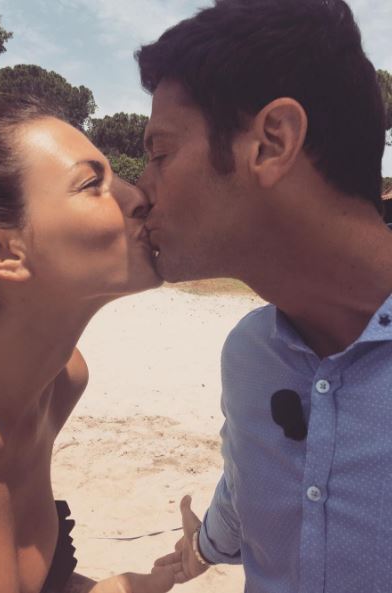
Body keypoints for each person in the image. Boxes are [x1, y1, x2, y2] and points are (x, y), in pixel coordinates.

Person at [136, 1, 392, 592]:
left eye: (159, 154)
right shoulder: (251, 355)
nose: (139, 192)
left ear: (272, 143)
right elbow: (248, 477)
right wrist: (203, 547)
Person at [0, 99, 174, 593]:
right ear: (1, 250)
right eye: (92, 184)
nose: (138, 196)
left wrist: (117, 587)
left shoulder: (60, 383)